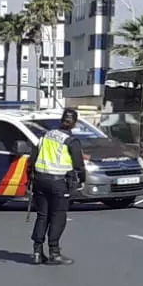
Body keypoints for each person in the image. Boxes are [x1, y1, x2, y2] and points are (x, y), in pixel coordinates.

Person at [29, 109, 86, 265]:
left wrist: (30, 178)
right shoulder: (71, 141)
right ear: (74, 123)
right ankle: (54, 252)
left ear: (61, 120)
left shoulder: (45, 135)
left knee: (42, 215)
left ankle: (37, 252)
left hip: (40, 180)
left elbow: (32, 158)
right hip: (58, 182)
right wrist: (82, 179)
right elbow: (78, 164)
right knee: (58, 216)